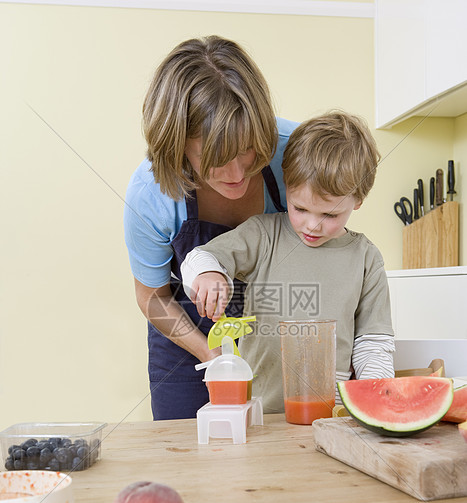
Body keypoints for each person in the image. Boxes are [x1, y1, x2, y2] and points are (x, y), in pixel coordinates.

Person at [124, 35, 298, 420]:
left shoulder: (297, 153)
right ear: (178, 145)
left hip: (280, 323)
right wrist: (211, 353)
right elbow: (152, 297)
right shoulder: (150, 191)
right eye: (214, 158)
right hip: (190, 333)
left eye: (248, 149)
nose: (237, 175)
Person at [181, 111, 395, 413]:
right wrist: (209, 274)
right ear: (287, 186)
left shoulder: (366, 258)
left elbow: (373, 344)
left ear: (358, 200)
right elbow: (200, 257)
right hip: (259, 415)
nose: (312, 225)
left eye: (329, 215)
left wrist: (374, 402)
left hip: (329, 417)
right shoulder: (262, 234)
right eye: (300, 208)